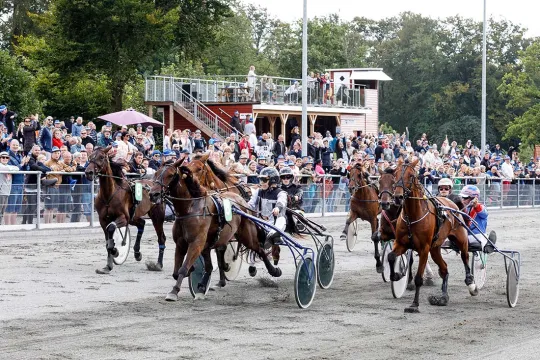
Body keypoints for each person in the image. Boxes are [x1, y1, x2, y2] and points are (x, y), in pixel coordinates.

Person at [247, 167, 287, 250]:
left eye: (264, 180)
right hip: (260, 222)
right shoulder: (258, 191)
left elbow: (281, 202)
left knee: (282, 219)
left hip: (275, 224)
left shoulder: (281, 193)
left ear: (272, 181)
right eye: (260, 180)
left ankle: (273, 238)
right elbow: (250, 205)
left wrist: (277, 208)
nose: (261, 183)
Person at [459, 185, 497, 253]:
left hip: (478, 237)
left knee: (479, 263)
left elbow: (484, 214)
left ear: (474, 198)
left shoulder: (481, 207)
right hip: (464, 236)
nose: (463, 200)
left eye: (465, 198)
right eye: (462, 197)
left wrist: (476, 205)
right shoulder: (462, 208)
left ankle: (488, 244)